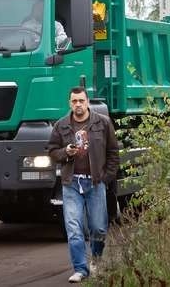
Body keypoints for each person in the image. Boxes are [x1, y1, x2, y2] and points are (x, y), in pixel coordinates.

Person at [48, 86, 119, 283]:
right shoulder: (61, 125)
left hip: (95, 183)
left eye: (81, 100)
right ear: (69, 103)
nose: (78, 105)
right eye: (74, 101)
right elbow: (52, 151)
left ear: (87, 101)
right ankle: (80, 269)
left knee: (98, 228)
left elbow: (114, 153)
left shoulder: (102, 123)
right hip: (71, 183)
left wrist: (106, 179)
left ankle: (96, 260)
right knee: (74, 228)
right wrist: (65, 153)